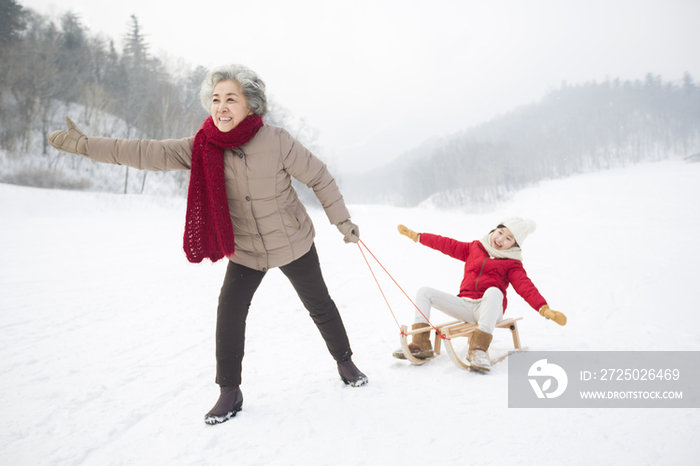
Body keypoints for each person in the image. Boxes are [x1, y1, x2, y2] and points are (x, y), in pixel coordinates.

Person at [48, 64, 367, 425]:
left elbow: (319, 176)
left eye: (231, 99)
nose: (221, 107)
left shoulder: (277, 140)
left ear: (251, 105)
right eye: (215, 99)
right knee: (229, 311)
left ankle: (346, 362)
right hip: (245, 248)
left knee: (319, 304)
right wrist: (87, 146)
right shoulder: (202, 146)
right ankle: (229, 391)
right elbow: (144, 152)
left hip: (291, 240)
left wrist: (342, 221)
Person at [394, 217, 566, 372]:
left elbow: (525, 287)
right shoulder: (475, 248)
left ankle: (478, 350)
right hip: (466, 305)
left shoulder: (512, 264)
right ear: (494, 230)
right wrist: (418, 236)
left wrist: (543, 308)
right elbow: (447, 244)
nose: (500, 239)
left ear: (515, 244)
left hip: (490, 309)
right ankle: (421, 343)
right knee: (424, 292)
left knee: (494, 291)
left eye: (508, 238)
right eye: (500, 232)